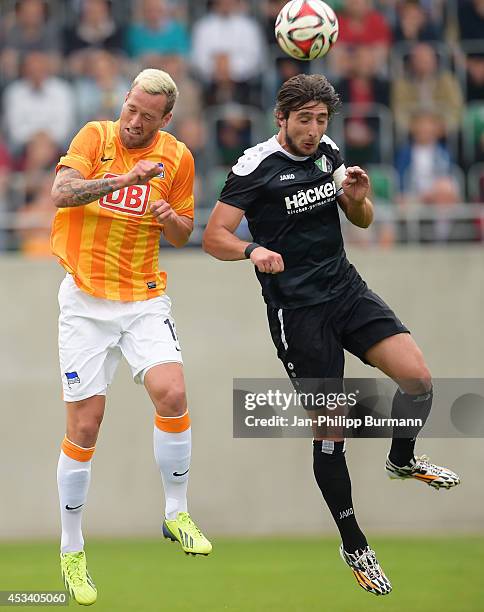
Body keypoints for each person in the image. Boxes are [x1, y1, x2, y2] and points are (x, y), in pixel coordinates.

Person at [202, 74, 460, 597]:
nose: (315, 130)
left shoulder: (331, 153)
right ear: (282, 118)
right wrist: (253, 251)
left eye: (322, 120)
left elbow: (359, 221)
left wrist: (360, 199)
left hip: (346, 290)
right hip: (298, 313)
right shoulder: (254, 167)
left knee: (419, 379)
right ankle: (354, 542)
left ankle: (402, 459)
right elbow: (213, 236)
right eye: (305, 120)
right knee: (332, 429)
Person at [50, 68, 212, 606]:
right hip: (85, 301)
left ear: (167, 120)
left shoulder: (179, 159)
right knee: (86, 424)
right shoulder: (95, 137)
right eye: (131, 108)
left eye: (148, 116)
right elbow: (60, 193)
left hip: (143, 298)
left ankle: (176, 512)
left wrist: (169, 216)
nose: (135, 121)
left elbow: (185, 231)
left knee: (173, 392)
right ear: (125, 100)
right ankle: (72, 550)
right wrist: (124, 180)